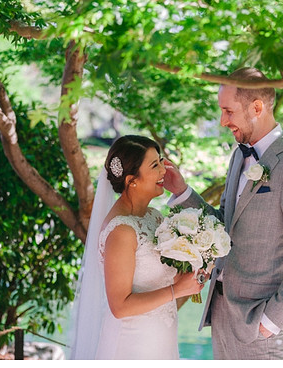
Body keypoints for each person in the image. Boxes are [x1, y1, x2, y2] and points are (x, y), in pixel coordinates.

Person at [163, 67, 283, 359]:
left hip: (260, 327)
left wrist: (271, 321)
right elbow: (223, 228)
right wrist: (182, 192)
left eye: (228, 111)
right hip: (221, 314)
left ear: (257, 108)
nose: (222, 121)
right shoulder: (238, 155)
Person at [70, 135, 205, 359]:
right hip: (131, 345)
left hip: (161, 341)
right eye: (155, 165)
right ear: (131, 180)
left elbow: (166, 294)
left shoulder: (155, 218)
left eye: (161, 161)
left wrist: (196, 273)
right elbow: (120, 306)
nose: (164, 170)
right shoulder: (121, 231)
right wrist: (177, 290)